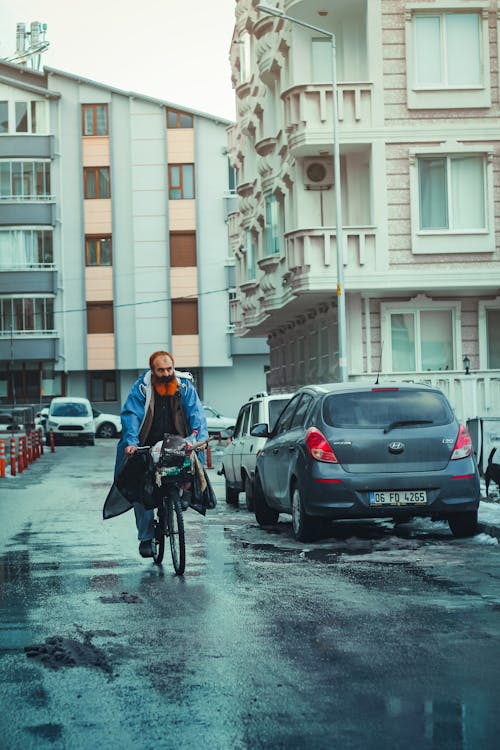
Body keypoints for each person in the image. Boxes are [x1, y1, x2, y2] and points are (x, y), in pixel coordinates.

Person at [115, 350, 208, 558]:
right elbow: (131, 416)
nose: (166, 373)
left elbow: (197, 414)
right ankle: (146, 537)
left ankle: (184, 494)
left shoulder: (184, 386)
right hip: (146, 444)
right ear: (152, 370)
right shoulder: (141, 389)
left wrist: (199, 438)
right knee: (140, 489)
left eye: (169, 369)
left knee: (192, 469)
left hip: (178, 443)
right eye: (161, 370)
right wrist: (131, 443)